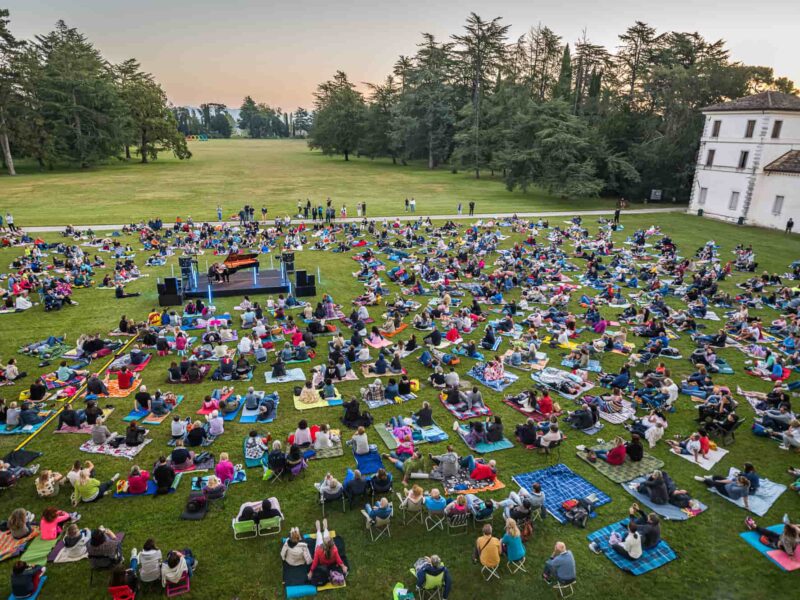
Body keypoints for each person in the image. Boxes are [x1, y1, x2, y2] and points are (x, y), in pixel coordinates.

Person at [308, 519, 347, 584]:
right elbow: (338, 560)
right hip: (327, 558)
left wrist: (311, 572)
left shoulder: (318, 550)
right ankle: (325, 528)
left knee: (319, 537)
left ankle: (318, 529)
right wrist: (343, 566)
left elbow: (315, 562)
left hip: (322, 557)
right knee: (325, 534)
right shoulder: (334, 549)